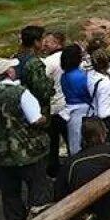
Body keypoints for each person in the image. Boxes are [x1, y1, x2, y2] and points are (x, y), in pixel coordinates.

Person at [0, 58, 50, 220]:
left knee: (10, 194)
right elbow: (35, 119)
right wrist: (45, 118)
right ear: (8, 73)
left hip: (1, 154)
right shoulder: (20, 92)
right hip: (28, 150)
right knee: (37, 188)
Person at [40, 31, 68, 172]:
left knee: (52, 142)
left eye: (48, 42)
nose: (44, 45)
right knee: (70, 139)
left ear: (57, 43)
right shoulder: (68, 57)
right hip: (67, 104)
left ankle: (53, 169)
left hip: (53, 105)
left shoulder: (49, 62)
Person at [58, 44, 92, 155]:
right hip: (85, 111)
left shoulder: (64, 76)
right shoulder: (83, 76)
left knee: (74, 145)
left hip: (71, 113)